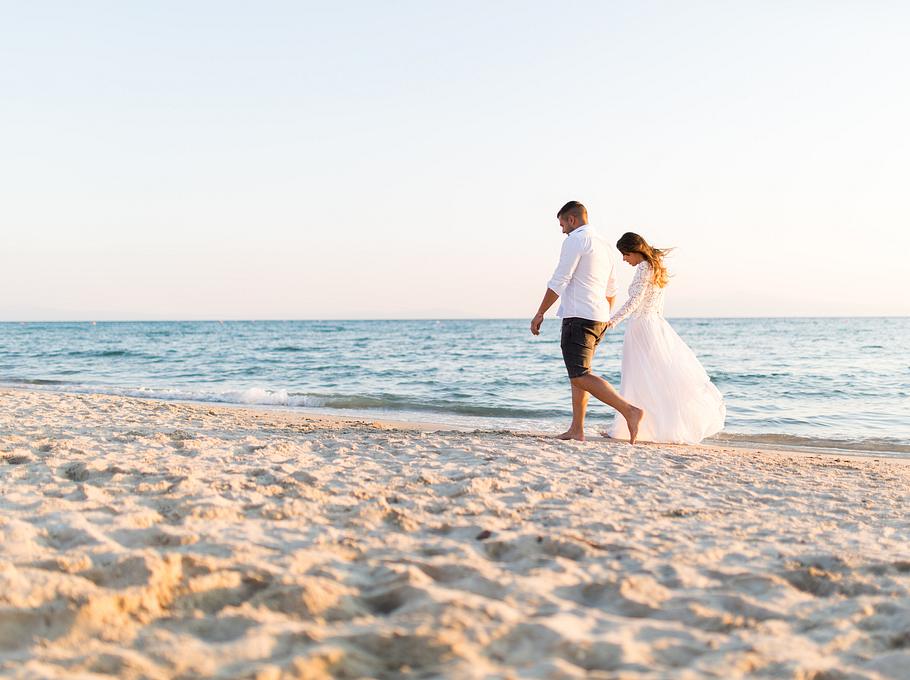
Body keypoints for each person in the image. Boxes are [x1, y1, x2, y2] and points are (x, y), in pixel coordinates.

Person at [530, 201, 645, 443]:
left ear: (572, 220)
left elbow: (559, 279)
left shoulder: (575, 240)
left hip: (578, 316)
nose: (562, 230)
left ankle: (630, 411)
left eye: (562, 224)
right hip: (598, 318)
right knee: (580, 373)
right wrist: (603, 316)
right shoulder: (604, 245)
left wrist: (540, 312)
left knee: (579, 375)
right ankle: (577, 429)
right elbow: (612, 288)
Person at [602, 232, 725, 443]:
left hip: (641, 328)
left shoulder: (643, 268)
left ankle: (633, 427)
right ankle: (646, 427)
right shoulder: (655, 266)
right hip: (655, 325)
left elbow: (634, 302)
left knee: (638, 378)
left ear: (634, 251)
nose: (624, 259)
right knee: (653, 378)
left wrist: (610, 322)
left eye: (625, 254)